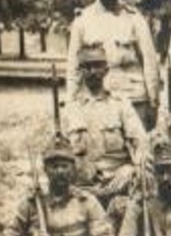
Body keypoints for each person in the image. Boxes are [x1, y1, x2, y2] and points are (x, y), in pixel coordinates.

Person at [66, 0, 161, 129]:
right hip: (98, 98)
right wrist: (71, 102)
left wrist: (153, 101)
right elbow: (74, 67)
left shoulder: (134, 18)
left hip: (133, 97)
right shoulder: (83, 20)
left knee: (139, 148)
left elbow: (149, 62)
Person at [62, 43, 149, 225]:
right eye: (86, 67)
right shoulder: (71, 109)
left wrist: (131, 168)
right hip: (83, 189)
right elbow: (61, 153)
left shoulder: (120, 104)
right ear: (80, 71)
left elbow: (141, 144)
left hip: (118, 185)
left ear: (106, 69)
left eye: (97, 66)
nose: (92, 71)